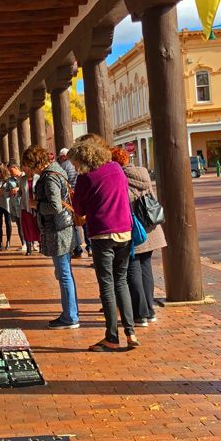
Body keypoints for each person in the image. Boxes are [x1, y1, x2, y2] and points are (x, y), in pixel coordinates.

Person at [69, 138, 137, 351]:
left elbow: (79, 212)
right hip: (125, 231)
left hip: (102, 235)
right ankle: (131, 332)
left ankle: (112, 337)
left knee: (107, 285)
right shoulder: (116, 168)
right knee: (121, 281)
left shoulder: (85, 178)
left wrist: (75, 199)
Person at [22, 145, 79, 328]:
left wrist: (36, 204)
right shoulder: (55, 171)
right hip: (61, 228)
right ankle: (70, 314)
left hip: (59, 229)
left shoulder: (50, 177)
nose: (28, 169)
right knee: (64, 273)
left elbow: (55, 206)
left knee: (64, 274)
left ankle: (70, 316)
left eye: (29, 165)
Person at [110, 147, 167, 326]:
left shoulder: (119, 177)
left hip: (134, 228)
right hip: (150, 227)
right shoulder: (142, 172)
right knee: (146, 268)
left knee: (132, 269)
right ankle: (150, 310)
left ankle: (140, 313)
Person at [58, 148, 88, 259]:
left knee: (74, 222)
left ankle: (78, 248)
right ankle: (89, 247)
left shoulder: (63, 166)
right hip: (82, 193)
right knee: (85, 221)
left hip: (71, 197)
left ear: (63, 156)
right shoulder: (80, 165)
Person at [0, 163, 17, 250]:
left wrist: (0, 192)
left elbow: (10, 192)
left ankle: (8, 242)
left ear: (3, 170)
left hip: (7, 204)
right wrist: (1, 191)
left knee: (8, 223)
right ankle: (0, 242)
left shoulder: (9, 179)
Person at [7, 162, 26, 252]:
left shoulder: (25, 177)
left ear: (16, 168)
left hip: (25, 206)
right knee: (19, 226)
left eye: (11, 171)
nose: (10, 173)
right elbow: (5, 192)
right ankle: (24, 243)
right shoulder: (9, 180)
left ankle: (34, 243)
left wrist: (19, 189)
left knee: (27, 225)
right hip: (15, 206)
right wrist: (9, 192)